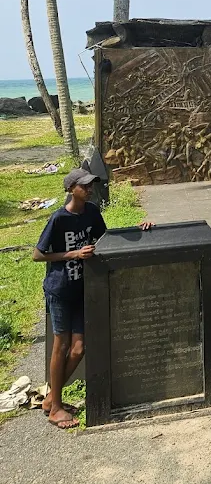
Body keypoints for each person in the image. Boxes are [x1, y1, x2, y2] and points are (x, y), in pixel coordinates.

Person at [33, 167, 154, 428]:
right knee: (61, 345)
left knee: (79, 348)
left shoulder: (92, 212)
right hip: (60, 289)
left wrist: (139, 230)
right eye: (84, 186)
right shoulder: (59, 218)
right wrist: (73, 254)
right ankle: (55, 408)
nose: (89, 190)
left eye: (90, 186)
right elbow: (38, 254)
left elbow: (105, 240)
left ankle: (52, 398)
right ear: (71, 189)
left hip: (82, 289)